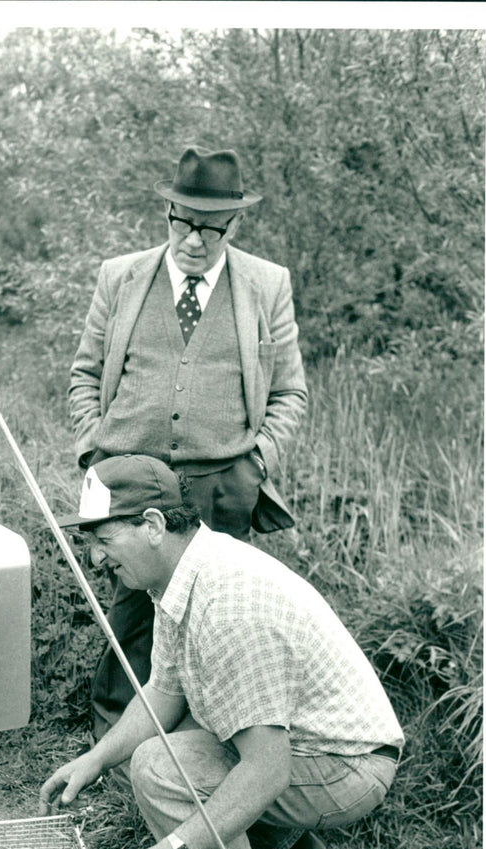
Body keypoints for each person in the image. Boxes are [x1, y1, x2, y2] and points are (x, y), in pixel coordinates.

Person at [40, 455, 404, 849]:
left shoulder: (230, 602)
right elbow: (164, 692)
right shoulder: (180, 572)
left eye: (104, 540)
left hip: (347, 766)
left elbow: (265, 771)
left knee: (163, 769)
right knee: (164, 751)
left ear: (155, 526)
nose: (94, 557)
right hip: (306, 748)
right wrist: (95, 760)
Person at [68, 146, 308, 742]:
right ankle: (115, 754)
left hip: (222, 484)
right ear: (168, 212)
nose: (194, 240)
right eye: (183, 222)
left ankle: (202, 751)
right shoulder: (119, 276)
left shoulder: (266, 285)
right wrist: (94, 453)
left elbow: (290, 394)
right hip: (126, 479)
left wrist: (255, 464)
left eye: (210, 227)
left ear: (236, 223)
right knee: (132, 617)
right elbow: (84, 376)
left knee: (219, 623)